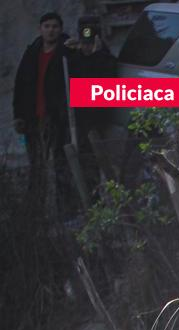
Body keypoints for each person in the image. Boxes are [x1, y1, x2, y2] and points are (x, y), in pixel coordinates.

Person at [13, 12, 113, 202]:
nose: (51, 30)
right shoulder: (32, 51)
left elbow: (90, 75)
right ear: (40, 29)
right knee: (37, 164)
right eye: (47, 26)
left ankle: (67, 207)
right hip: (34, 118)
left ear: (60, 29)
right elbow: (21, 85)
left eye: (55, 27)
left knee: (62, 164)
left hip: (58, 118)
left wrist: (93, 52)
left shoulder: (68, 51)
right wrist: (19, 115)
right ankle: (36, 207)